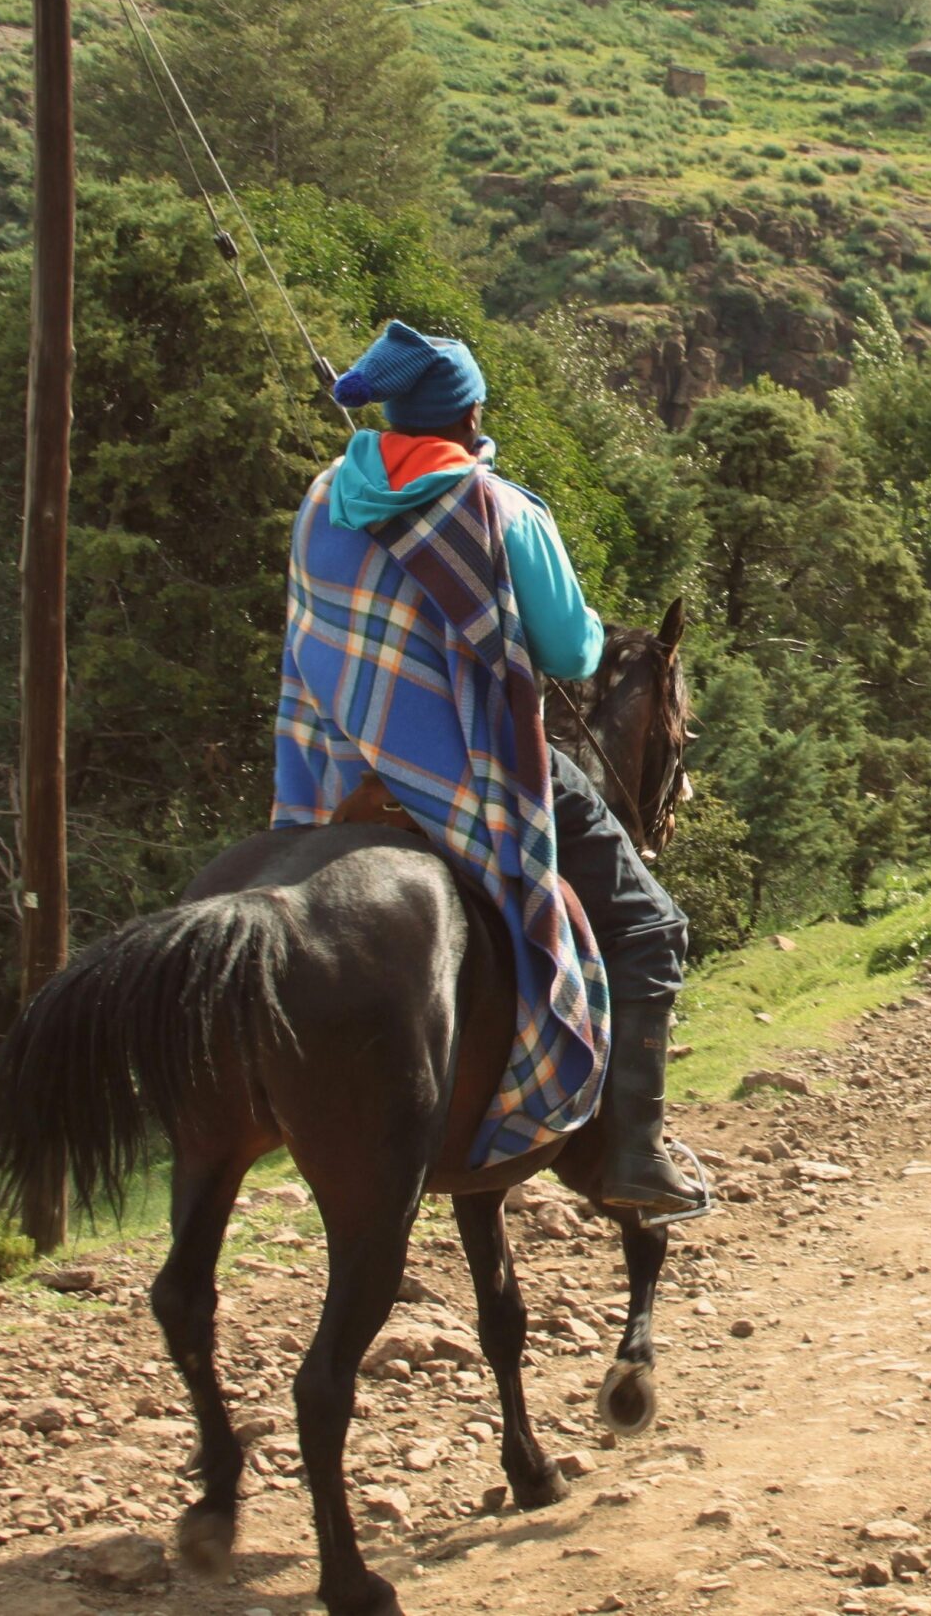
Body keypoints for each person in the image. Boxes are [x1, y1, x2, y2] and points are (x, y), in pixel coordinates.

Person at [273, 320, 704, 1219]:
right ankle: (633, 1149)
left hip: (339, 767)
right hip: (466, 769)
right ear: (471, 412)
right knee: (650, 924)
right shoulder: (500, 508)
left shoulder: (322, 496)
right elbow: (573, 651)